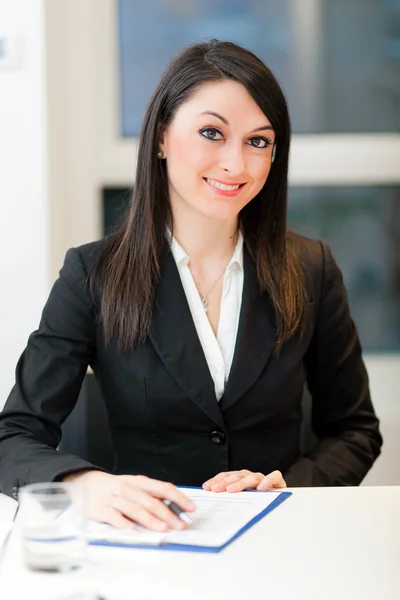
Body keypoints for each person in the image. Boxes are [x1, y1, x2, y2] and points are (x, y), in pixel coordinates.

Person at [0, 40, 382, 532]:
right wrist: (83, 484)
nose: (236, 165)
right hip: (149, 545)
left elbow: (355, 431)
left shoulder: (311, 267)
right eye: (211, 132)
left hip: (279, 541)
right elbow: (13, 437)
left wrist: (289, 483)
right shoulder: (92, 275)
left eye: (258, 141)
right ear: (161, 137)